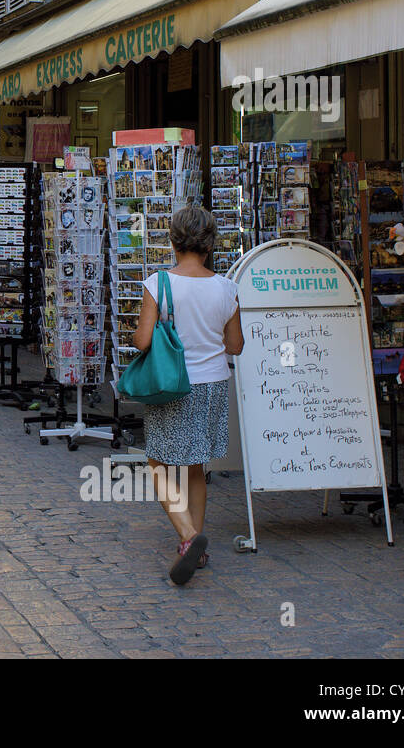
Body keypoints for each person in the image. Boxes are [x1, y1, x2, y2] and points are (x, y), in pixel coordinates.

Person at [132, 204, 244, 587]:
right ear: (210, 243)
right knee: (196, 467)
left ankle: (189, 536)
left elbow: (144, 341)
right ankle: (196, 541)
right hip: (213, 384)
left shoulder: (157, 284)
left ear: (174, 241)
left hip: (174, 385)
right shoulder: (228, 288)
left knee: (158, 463)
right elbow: (236, 346)